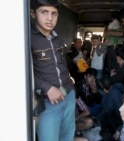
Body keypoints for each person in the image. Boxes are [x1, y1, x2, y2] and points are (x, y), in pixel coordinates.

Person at [30, 0, 76, 140]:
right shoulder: (27, 39)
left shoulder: (58, 40)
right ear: (33, 13)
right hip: (47, 102)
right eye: (44, 12)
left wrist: (71, 87)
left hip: (68, 96)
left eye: (54, 14)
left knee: (67, 136)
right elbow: (22, 72)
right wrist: (47, 88)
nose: (50, 18)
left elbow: (62, 67)